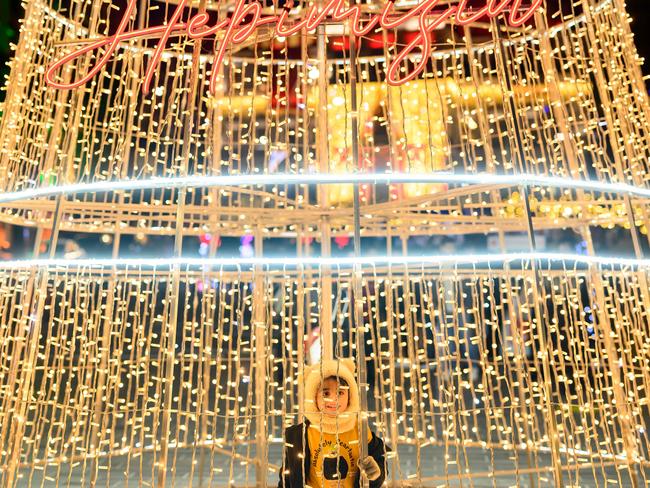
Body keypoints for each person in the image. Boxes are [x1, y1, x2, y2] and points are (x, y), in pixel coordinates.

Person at [278, 359, 388, 488]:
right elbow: (287, 478)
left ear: (350, 396)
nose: (333, 399)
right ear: (313, 398)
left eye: (340, 393)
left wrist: (375, 473)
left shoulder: (360, 430)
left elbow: (379, 462)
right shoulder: (299, 436)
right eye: (325, 393)